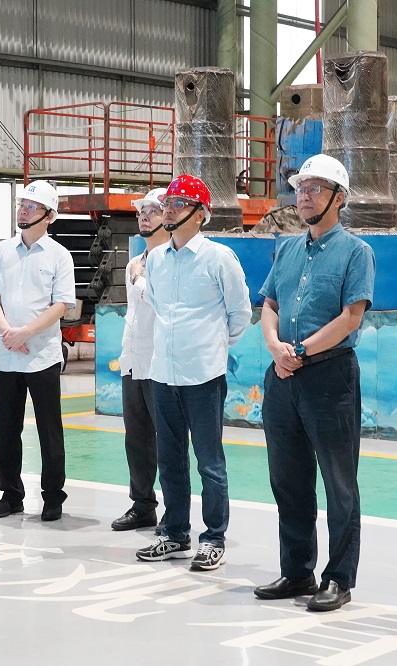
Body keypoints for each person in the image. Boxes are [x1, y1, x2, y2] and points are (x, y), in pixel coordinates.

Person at [252, 155, 375, 612]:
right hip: (283, 376)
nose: (303, 196)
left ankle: (339, 578)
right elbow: (270, 304)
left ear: (339, 198)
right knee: (288, 479)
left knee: (339, 483)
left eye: (314, 189)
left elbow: (350, 317)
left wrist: (299, 352)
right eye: (300, 189)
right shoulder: (286, 249)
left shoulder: (356, 252)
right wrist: (275, 347)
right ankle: (297, 571)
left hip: (329, 376)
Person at [135, 174, 252, 571]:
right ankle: (174, 533)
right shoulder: (156, 260)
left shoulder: (219, 258)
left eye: (178, 203)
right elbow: (156, 305)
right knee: (169, 459)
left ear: (201, 214)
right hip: (163, 374)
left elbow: (240, 313)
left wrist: (212, 345)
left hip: (203, 375)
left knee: (209, 462)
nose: (168, 210)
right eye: (167, 203)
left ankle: (214, 537)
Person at [0, 180, 76, 522]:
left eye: (31, 206)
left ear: (49, 215)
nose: (23, 210)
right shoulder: (1, 251)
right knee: (6, 429)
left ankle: (52, 497)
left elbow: (61, 305)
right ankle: (10, 495)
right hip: (6, 354)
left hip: (42, 355)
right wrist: (8, 333)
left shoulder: (59, 255)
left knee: (49, 430)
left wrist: (26, 332)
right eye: (21, 205)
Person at [111, 188, 170, 532]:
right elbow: (134, 315)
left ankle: (174, 511)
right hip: (133, 361)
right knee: (136, 438)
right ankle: (142, 504)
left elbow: (163, 308)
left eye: (153, 211)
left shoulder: (172, 262)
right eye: (141, 212)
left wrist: (141, 280)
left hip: (161, 364)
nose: (144, 217)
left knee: (167, 442)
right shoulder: (135, 263)